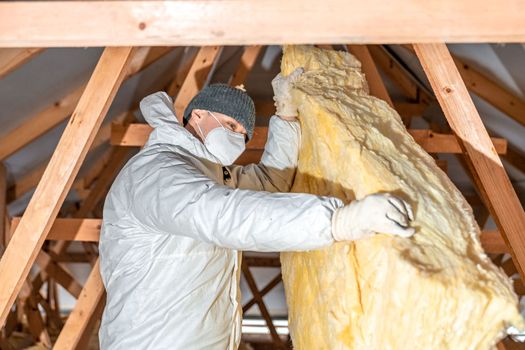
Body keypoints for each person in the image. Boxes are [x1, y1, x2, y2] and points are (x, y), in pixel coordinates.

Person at [98, 68, 415, 349]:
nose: (237, 137)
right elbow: (224, 215)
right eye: (231, 124)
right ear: (196, 115)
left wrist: (286, 117)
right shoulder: (157, 172)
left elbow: (269, 182)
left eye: (243, 134)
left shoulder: (213, 177)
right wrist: (339, 221)